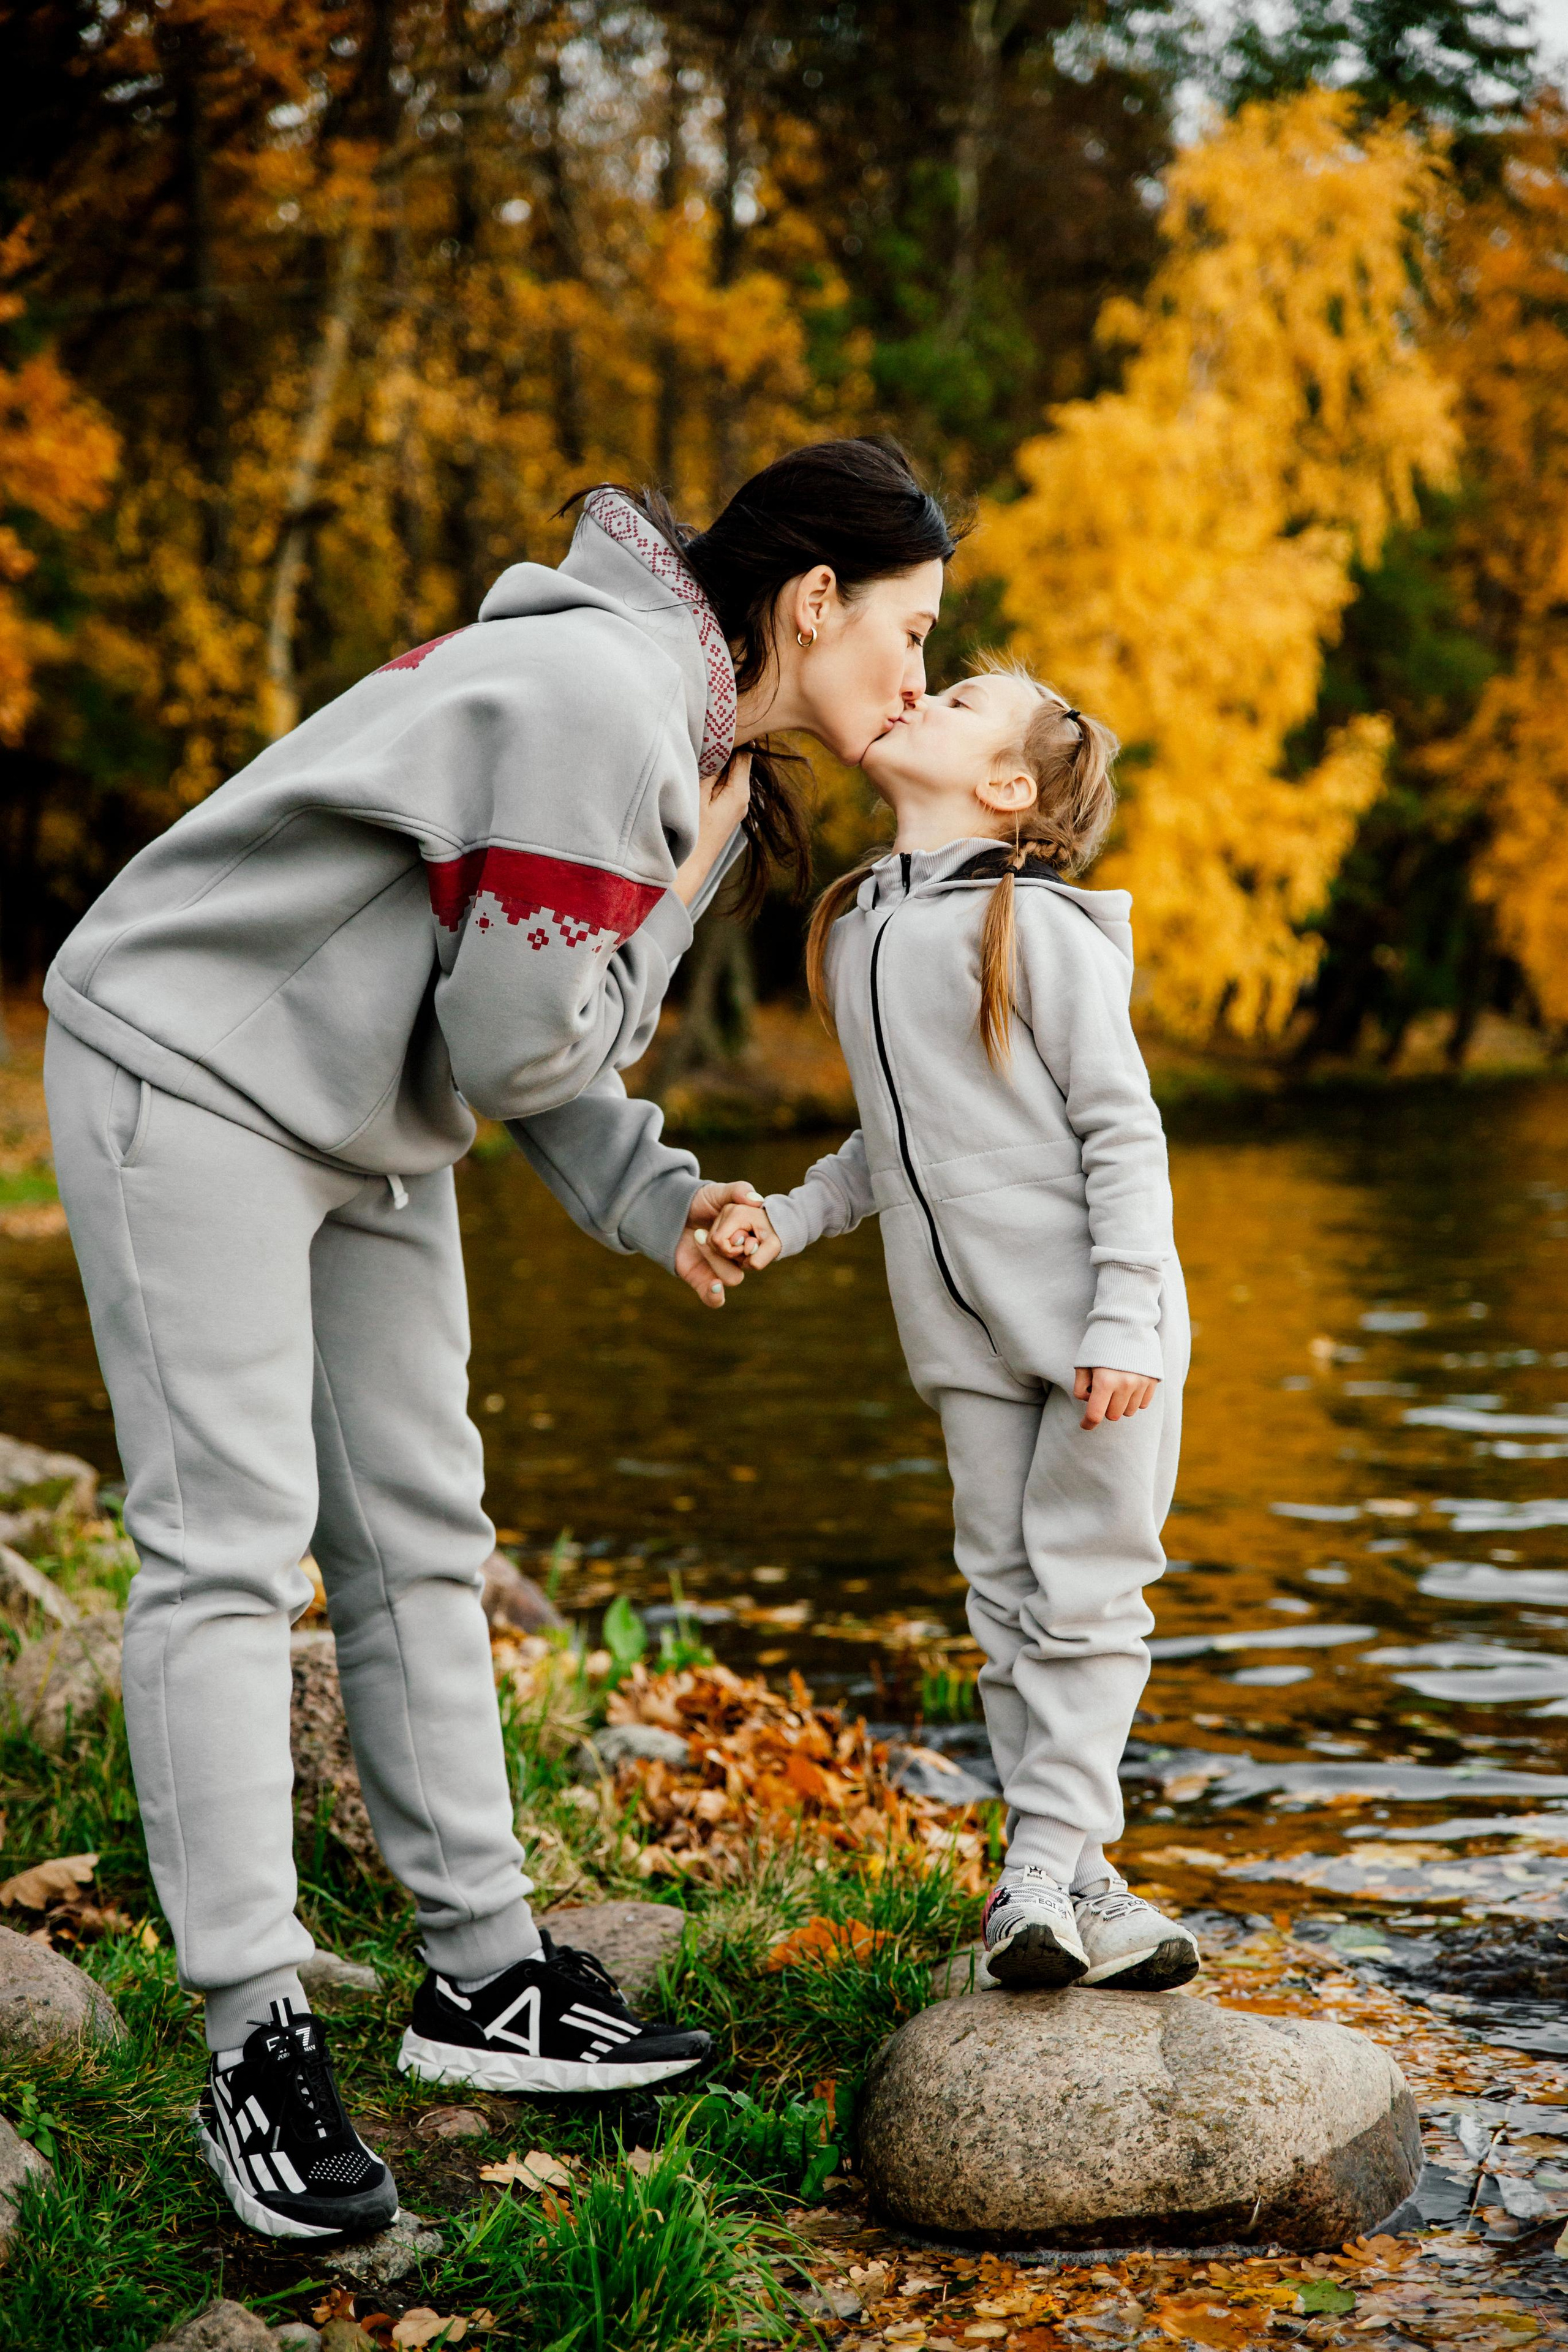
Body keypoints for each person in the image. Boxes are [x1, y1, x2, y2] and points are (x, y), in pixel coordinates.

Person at [40, 436, 960, 2240]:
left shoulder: (652, 703)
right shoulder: (606, 699)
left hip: (355, 1103)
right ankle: (251, 2041)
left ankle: (482, 1978)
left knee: (418, 1534)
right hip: (191, 1064)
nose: (919, 677)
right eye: (913, 629)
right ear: (814, 601)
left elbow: (505, 1016)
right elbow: (525, 1042)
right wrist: (686, 884)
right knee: (227, 1547)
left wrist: (653, 1190)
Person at [705, 658, 1200, 1995]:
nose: (922, 695)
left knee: (1086, 1598)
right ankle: (1078, 1882)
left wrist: (1124, 1318)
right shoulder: (861, 926)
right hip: (964, 1345)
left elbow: (1123, 1132)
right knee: (1007, 1606)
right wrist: (786, 1221)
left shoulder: (1036, 928)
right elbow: (889, 1148)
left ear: (1008, 787)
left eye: (964, 702)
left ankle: (1035, 1868)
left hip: (1104, 1335)